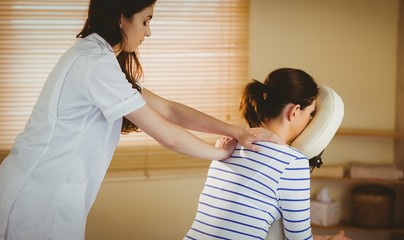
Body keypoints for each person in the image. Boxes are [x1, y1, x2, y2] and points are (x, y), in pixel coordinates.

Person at [0, 0, 280, 239]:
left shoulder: (98, 58)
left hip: (42, 187)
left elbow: (169, 110)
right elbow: (167, 133)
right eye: (146, 21)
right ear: (122, 17)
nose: (149, 31)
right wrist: (220, 152)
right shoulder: (95, 64)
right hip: (40, 195)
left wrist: (236, 131)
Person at [185, 68, 350, 240]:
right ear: (294, 111)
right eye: (310, 114)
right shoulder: (293, 162)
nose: (310, 121)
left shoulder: (231, 143)